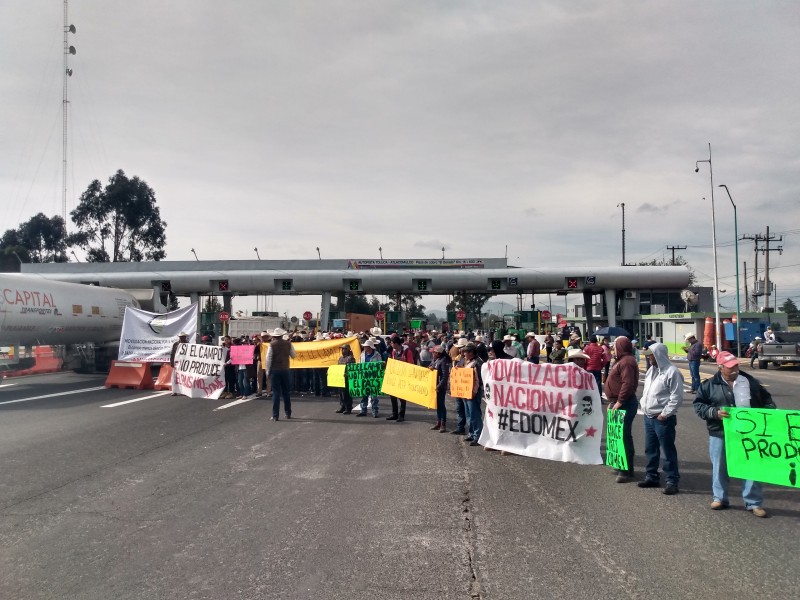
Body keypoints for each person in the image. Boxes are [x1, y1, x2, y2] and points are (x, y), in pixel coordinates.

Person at [693, 351, 775, 517]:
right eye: (730, 367)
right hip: (720, 433)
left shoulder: (750, 382)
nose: (735, 370)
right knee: (720, 467)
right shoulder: (709, 385)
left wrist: (767, 413)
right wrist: (714, 412)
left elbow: (768, 400)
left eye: (736, 366)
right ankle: (720, 498)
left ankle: (754, 503)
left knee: (751, 467)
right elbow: (699, 405)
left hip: (749, 434)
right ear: (720, 367)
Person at [637, 343, 684, 495]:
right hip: (649, 416)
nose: (648, 357)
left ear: (658, 354)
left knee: (668, 450)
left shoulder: (672, 372)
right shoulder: (652, 370)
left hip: (662, 418)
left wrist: (665, 414)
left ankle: (672, 480)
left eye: (650, 354)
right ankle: (651, 476)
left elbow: (676, 397)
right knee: (650, 449)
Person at [605, 336, 639, 483]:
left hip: (625, 403)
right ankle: (621, 465)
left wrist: (619, 401)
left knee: (623, 437)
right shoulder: (622, 360)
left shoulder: (627, 361)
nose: (613, 348)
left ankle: (626, 471)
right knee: (618, 436)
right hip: (618, 402)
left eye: (615, 346)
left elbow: (628, 383)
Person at [266, 327, 296, 421]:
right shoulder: (288, 344)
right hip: (285, 369)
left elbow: (269, 359)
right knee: (286, 392)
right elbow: (293, 355)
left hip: (275, 370)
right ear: (282, 335)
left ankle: (275, 415)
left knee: (276, 393)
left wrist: (267, 371)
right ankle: (288, 413)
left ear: (274, 336)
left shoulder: (272, 345)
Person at [459, 343, 484, 446]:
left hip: (473, 393)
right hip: (466, 392)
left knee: (475, 415)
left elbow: (478, 380)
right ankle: (472, 433)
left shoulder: (477, 363)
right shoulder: (469, 361)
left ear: (471, 352)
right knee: (469, 414)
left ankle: (478, 436)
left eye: (465, 352)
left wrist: (474, 392)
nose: (464, 353)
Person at [387, 337, 414, 422]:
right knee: (392, 395)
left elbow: (411, 364)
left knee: (402, 396)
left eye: (392, 343)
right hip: (395, 376)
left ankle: (401, 415)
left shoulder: (407, 351)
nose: (391, 344)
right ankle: (394, 414)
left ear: (396, 343)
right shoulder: (393, 351)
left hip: (404, 376)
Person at [356, 339, 383, 417]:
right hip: (364, 377)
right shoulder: (362, 354)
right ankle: (363, 410)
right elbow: (359, 364)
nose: (364, 348)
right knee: (364, 395)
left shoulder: (377, 355)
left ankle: (375, 411)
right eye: (364, 347)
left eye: (366, 347)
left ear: (370, 347)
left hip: (374, 378)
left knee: (374, 396)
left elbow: (380, 365)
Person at [430, 345, 451, 432]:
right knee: (438, 405)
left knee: (441, 405)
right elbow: (430, 366)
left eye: (433, 352)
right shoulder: (436, 360)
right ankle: (438, 422)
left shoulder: (443, 361)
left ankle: (443, 424)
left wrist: (439, 386)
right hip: (435, 386)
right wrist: (430, 368)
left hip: (440, 387)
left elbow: (445, 376)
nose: (432, 354)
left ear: (438, 353)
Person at [336, 343, 355, 414]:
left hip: (347, 378)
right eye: (342, 349)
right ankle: (343, 406)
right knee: (341, 393)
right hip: (341, 378)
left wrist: (347, 374)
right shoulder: (341, 358)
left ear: (347, 350)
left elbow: (352, 368)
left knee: (347, 394)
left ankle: (348, 407)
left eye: (344, 349)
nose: (342, 350)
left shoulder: (350, 358)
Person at [169, 331, 189, 396]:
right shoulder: (176, 344)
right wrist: (171, 362)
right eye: (181, 337)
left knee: (184, 377)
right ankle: (174, 391)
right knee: (175, 377)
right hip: (177, 363)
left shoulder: (188, 344)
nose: (182, 338)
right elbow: (172, 353)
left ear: (185, 337)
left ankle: (184, 391)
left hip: (185, 363)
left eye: (183, 337)